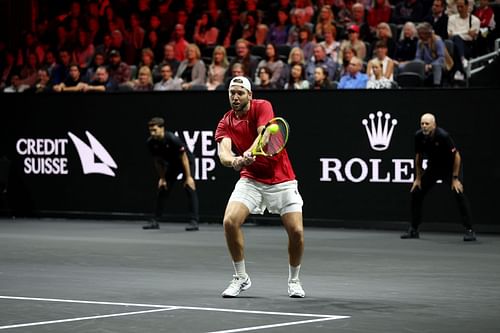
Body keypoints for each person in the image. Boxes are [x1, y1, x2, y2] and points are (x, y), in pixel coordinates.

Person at [215, 76, 305, 298]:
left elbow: (264, 135)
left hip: (282, 179)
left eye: (240, 93)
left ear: (249, 95)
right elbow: (223, 153)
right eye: (232, 93)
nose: (235, 97)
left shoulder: (262, 106)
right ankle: (241, 277)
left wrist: (250, 151)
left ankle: (294, 280)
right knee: (229, 222)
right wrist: (234, 161)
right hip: (251, 180)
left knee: (297, 232)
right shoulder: (225, 122)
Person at [401, 113, 476, 241]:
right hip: (433, 168)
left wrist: (455, 178)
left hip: (450, 169)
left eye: (427, 124)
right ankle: (414, 229)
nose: (424, 126)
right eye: (422, 124)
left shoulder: (443, 136)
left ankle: (470, 230)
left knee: (459, 193)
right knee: (416, 192)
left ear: (434, 125)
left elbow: (457, 156)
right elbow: (418, 156)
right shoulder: (418, 136)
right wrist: (418, 178)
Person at [143, 117, 199, 232]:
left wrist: (188, 177)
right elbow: (157, 161)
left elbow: (183, 158)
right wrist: (162, 178)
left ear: (162, 128)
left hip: (187, 162)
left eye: (155, 130)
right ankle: (154, 220)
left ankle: (194, 221)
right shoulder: (150, 142)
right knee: (163, 189)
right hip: (173, 165)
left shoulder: (172, 139)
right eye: (151, 130)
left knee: (189, 188)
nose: (152, 133)